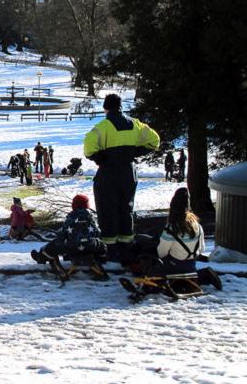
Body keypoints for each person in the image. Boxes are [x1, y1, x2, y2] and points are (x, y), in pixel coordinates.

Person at [84, 93, 160, 263]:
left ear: (105, 108)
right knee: (126, 209)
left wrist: (100, 158)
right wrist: (135, 152)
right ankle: (126, 248)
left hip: (108, 173)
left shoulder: (103, 127)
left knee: (107, 210)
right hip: (128, 172)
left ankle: (109, 249)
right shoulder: (135, 124)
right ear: (120, 107)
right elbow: (155, 140)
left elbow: (89, 147)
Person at [141, 188, 221, 289]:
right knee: (183, 279)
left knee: (152, 263)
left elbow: (162, 252)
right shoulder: (197, 226)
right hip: (191, 265)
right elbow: (201, 249)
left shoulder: (171, 228)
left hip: (174, 265)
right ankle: (203, 275)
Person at [31, 194, 106, 265]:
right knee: (101, 245)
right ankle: (101, 258)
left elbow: (63, 234)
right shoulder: (90, 217)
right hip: (90, 246)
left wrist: (58, 244)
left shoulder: (71, 217)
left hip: (73, 247)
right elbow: (97, 232)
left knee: (53, 244)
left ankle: (41, 257)